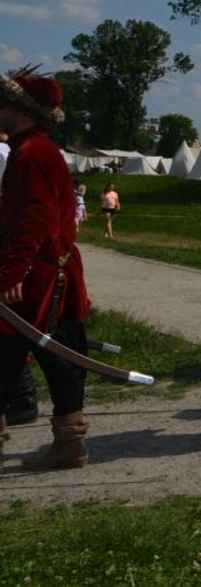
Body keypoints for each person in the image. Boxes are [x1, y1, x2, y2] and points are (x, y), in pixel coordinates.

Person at [0, 67, 92, 471]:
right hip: (47, 273)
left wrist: (13, 273)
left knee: (25, 355)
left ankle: (70, 444)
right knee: (58, 357)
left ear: (17, 109)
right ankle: (69, 444)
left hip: (39, 278)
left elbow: (35, 220)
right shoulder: (31, 149)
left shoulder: (32, 153)